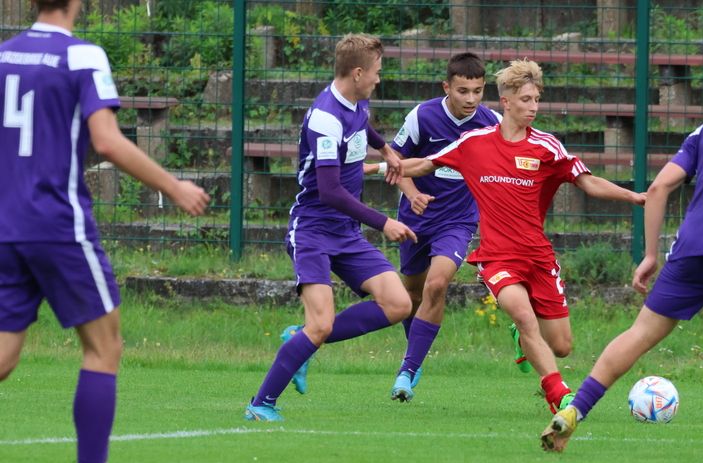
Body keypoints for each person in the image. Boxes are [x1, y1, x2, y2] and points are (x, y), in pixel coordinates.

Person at [541, 52, 703, 460]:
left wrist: (650, 254)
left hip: (690, 246)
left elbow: (661, 186)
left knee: (640, 334)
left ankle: (574, 410)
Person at [0, 0, 210, 463]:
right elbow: (107, 141)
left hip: (5, 225)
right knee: (103, 347)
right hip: (57, 225)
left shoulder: (4, 55)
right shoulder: (83, 56)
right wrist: (174, 186)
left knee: (3, 357)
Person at [399, 59, 646, 414]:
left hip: (538, 257)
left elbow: (587, 182)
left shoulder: (547, 147)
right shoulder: (474, 142)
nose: (533, 107)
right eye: (526, 100)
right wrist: (372, 167)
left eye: (536, 100)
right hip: (497, 257)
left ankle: (524, 344)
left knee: (561, 345)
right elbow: (423, 164)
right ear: (507, 101)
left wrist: (633, 195)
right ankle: (560, 395)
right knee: (524, 316)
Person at [244, 33, 416, 422]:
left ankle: (300, 341)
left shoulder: (355, 102)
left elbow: (363, 126)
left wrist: (385, 148)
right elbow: (331, 191)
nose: (378, 79)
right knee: (320, 323)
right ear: (357, 73)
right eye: (375, 72)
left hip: (345, 233)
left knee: (398, 303)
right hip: (313, 231)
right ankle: (260, 404)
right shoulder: (325, 118)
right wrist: (384, 222)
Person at [375, 52, 501, 402]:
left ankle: (407, 370)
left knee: (438, 284)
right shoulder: (423, 116)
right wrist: (413, 194)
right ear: (447, 87)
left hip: (458, 221)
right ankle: (414, 354)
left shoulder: (492, 123)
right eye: (463, 91)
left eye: (477, 91)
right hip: (416, 219)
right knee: (411, 293)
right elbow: (396, 164)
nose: (471, 99)